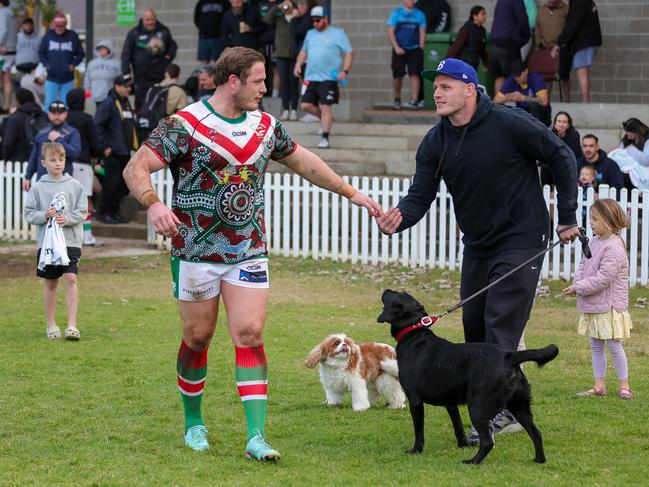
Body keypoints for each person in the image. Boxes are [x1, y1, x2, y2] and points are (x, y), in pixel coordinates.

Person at [122, 46, 381, 457]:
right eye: (259, 81)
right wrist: (154, 202)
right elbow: (135, 167)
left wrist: (352, 193)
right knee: (198, 336)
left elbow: (306, 162)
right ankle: (194, 423)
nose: (266, 88)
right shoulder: (185, 124)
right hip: (194, 251)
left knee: (250, 333)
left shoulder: (266, 126)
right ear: (233, 81)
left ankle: (256, 437)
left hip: (248, 250)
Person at [375, 58, 579, 442]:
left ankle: (501, 413)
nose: (437, 92)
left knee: (500, 322)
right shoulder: (436, 141)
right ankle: (505, 397)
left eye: (446, 86)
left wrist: (566, 216)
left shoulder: (509, 123)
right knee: (475, 329)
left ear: (470, 89)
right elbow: (421, 194)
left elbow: (561, 155)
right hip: (478, 244)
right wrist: (400, 216)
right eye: (435, 86)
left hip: (523, 238)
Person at [563, 199, 633, 400]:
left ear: (609, 221)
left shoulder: (615, 247)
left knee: (613, 344)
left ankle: (624, 385)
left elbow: (604, 278)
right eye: (591, 218)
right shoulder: (593, 241)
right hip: (595, 303)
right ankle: (599, 385)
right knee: (595, 344)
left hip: (609, 306)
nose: (591, 222)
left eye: (595, 219)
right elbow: (583, 265)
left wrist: (578, 288)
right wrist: (577, 281)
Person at [23, 141, 87, 341]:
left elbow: (82, 211)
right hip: (48, 245)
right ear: (43, 163)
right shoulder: (37, 188)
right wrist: (45, 215)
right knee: (51, 283)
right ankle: (51, 325)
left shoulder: (75, 186)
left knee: (70, 279)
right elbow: (29, 214)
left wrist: (67, 218)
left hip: (71, 241)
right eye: (53, 160)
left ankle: (72, 326)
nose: (58, 163)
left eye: (61, 159)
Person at [294, 6, 353, 149]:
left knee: (326, 106)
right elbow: (304, 51)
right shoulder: (310, 33)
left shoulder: (338, 34)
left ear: (326, 18)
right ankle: (325, 120)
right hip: (311, 77)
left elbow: (349, 53)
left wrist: (345, 70)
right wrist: (298, 65)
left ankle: (325, 137)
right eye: (313, 20)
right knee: (305, 105)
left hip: (329, 78)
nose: (315, 23)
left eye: (318, 20)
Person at [94, 74, 139, 225]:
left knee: (121, 184)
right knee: (111, 183)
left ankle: (113, 212)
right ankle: (103, 212)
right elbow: (97, 125)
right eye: (125, 86)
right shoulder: (108, 103)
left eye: (129, 86)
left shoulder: (125, 102)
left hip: (124, 151)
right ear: (117, 86)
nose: (128, 89)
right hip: (113, 151)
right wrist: (105, 146)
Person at [121, 9, 177, 110]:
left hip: (160, 76)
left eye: (152, 19)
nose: (150, 22)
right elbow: (126, 54)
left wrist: (168, 57)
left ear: (155, 19)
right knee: (141, 104)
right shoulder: (134, 33)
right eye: (147, 20)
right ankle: (141, 124)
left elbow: (172, 46)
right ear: (143, 19)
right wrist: (126, 72)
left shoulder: (163, 31)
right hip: (141, 77)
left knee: (160, 103)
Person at [66, 88, 101, 246]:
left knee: (67, 199)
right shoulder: (86, 118)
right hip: (82, 162)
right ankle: (87, 235)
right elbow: (94, 142)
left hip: (65, 163)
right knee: (86, 200)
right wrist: (96, 155)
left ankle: (68, 235)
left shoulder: (64, 117)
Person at [23, 99, 81, 190]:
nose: (56, 116)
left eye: (60, 113)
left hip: (63, 183)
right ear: (48, 114)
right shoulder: (42, 133)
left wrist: (59, 140)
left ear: (65, 114)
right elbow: (34, 157)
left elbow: (75, 153)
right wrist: (28, 177)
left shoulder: (72, 132)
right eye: (53, 113)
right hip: (43, 183)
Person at [554, 0, 602, 103]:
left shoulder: (579, 2)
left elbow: (572, 25)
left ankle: (585, 103)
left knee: (582, 71)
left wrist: (560, 41)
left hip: (585, 42)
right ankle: (585, 101)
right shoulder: (587, 2)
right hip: (589, 40)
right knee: (583, 72)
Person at [38, 12, 85, 110]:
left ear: (65, 25)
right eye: (57, 26)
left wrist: (73, 64)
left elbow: (81, 54)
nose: (59, 28)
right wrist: (46, 65)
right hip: (51, 77)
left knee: (66, 105)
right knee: (48, 104)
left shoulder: (72, 36)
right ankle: (47, 124)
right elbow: (41, 53)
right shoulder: (48, 36)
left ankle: (64, 125)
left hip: (67, 78)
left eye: (61, 26)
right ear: (54, 25)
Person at [387, 0, 427, 110]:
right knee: (397, 75)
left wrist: (420, 48)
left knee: (414, 74)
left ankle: (414, 101)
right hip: (399, 49)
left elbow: (422, 31)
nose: (412, 1)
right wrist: (396, 47)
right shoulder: (396, 13)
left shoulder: (420, 14)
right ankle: (397, 98)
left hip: (414, 49)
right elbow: (390, 31)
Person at [263, 0, 299, 121]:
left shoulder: (296, 17)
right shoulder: (279, 18)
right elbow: (266, 20)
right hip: (281, 54)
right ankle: (285, 110)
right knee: (284, 82)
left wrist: (295, 13)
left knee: (293, 83)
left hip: (295, 54)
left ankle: (294, 110)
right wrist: (278, 8)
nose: (286, 7)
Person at [489, 0, 531, 93]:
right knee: (515, 75)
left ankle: (498, 105)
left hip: (494, 43)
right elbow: (522, 20)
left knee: (499, 76)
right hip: (509, 43)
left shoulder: (500, 1)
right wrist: (527, 35)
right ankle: (511, 105)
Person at [494, 60, 551, 126]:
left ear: (526, 71)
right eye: (515, 76)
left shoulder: (535, 78)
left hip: (541, 116)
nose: (517, 78)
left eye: (519, 75)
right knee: (501, 108)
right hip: (523, 113)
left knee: (533, 105)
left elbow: (544, 101)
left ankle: (538, 130)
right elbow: (496, 100)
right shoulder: (512, 79)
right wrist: (508, 98)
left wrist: (523, 98)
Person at [534, 0, 569, 99]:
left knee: (564, 74)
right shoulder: (542, 9)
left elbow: (569, 27)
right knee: (547, 75)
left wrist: (561, 44)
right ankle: (546, 100)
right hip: (545, 47)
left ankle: (567, 100)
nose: (551, 1)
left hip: (561, 47)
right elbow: (537, 28)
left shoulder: (565, 9)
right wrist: (539, 42)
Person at [2, 88, 47, 162]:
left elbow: (8, 143)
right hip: (41, 161)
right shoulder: (44, 115)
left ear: (18, 102)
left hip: (18, 161)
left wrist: (6, 158)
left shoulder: (15, 118)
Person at [541, 111, 582, 186]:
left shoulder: (574, 134)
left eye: (564, 122)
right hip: (554, 162)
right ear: (555, 123)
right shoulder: (549, 134)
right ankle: (547, 189)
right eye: (559, 121)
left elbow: (571, 152)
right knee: (545, 166)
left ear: (568, 125)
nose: (561, 124)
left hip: (569, 163)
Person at [608, 118, 649, 191]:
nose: (628, 137)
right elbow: (619, 153)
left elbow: (646, 160)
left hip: (641, 173)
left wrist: (631, 150)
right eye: (627, 135)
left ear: (637, 132)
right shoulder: (627, 139)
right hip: (625, 171)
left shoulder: (647, 139)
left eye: (630, 135)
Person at [446, 5, 488, 72]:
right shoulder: (466, 29)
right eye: (482, 14)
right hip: (464, 63)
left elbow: (482, 50)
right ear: (475, 16)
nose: (485, 16)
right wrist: (446, 62)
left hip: (474, 64)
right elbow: (456, 46)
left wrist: (486, 64)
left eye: (485, 14)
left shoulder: (482, 31)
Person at [84, 39, 121, 107]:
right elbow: (87, 79)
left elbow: (120, 79)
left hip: (110, 97)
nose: (101, 50)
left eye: (104, 48)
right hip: (95, 97)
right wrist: (87, 95)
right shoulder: (92, 63)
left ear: (109, 49)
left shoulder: (116, 63)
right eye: (100, 48)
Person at [0, 0, 17, 113]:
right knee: (6, 78)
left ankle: (5, 106)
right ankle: (5, 106)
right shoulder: (11, 14)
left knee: (5, 79)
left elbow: (3, 30)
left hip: (3, 51)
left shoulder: (2, 12)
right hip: (11, 51)